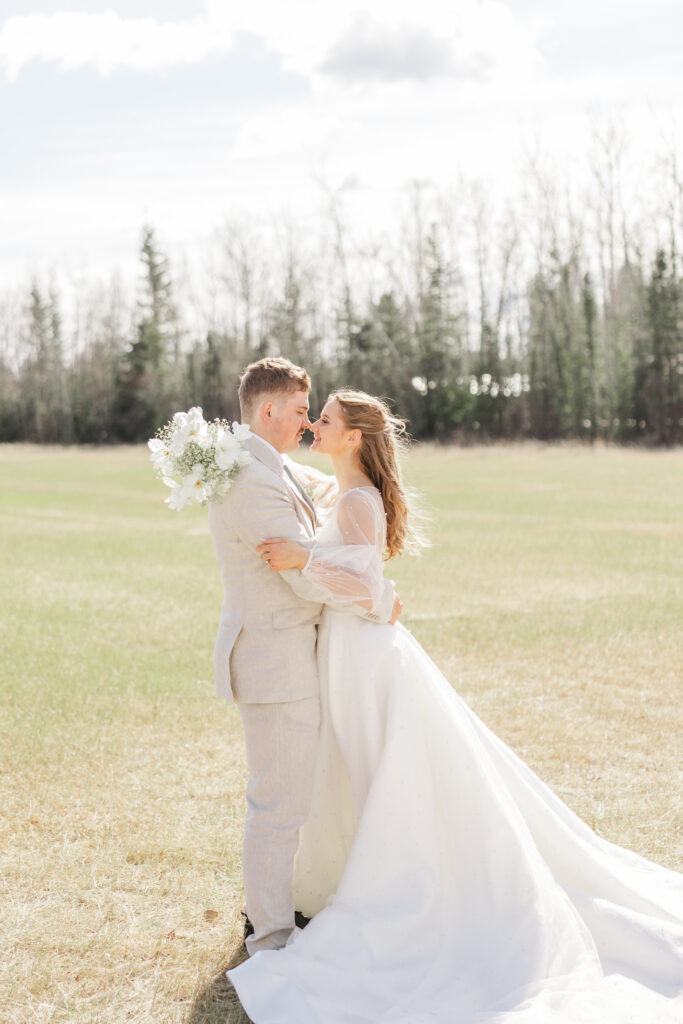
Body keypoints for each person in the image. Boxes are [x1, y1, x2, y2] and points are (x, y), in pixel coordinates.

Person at [228, 389, 683, 1023]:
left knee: (380, 772)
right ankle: (345, 878)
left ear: (353, 435)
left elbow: (363, 585)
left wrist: (307, 557)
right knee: (356, 773)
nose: (312, 425)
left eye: (324, 419)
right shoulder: (339, 487)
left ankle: (397, 889)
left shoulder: (356, 499)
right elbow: (290, 481)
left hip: (363, 656)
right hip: (345, 651)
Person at [207, 360, 401, 957]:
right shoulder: (252, 478)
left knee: (296, 799)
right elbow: (298, 579)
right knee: (279, 805)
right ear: (268, 411)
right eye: (298, 411)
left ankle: (285, 908)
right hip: (276, 660)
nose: (307, 423)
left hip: (299, 655)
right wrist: (378, 596)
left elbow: (332, 494)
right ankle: (268, 934)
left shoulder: (268, 465)